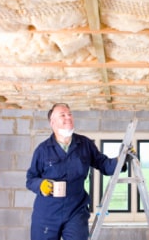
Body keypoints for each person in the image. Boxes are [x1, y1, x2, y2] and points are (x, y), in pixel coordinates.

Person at [26, 103, 124, 240]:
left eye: (70, 114)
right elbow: (31, 179)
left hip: (75, 211)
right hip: (47, 213)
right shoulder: (42, 150)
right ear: (52, 123)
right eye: (63, 115)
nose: (68, 117)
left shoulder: (85, 144)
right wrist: (41, 185)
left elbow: (104, 164)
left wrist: (122, 159)